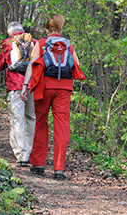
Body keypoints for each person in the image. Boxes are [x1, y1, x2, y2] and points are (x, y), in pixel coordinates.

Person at [20, 15, 85, 180]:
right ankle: (59, 169)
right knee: (61, 127)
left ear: (47, 30)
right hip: (64, 89)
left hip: (43, 87)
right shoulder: (68, 45)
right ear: (61, 29)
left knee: (41, 123)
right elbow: (76, 66)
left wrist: (25, 86)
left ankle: (38, 164)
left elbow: (32, 66)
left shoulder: (41, 43)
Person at [0, 21, 36, 167]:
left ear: (10, 33)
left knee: (17, 119)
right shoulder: (34, 42)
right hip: (33, 86)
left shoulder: (7, 43)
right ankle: (29, 153)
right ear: (23, 31)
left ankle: (21, 155)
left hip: (15, 86)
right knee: (30, 118)